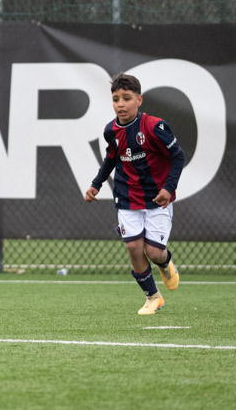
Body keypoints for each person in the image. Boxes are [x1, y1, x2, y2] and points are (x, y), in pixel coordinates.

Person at [85, 73, 184, 315]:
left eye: (126, 98)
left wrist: (168, 188)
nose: (120, 104)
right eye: (116, 99)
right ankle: (153, 297)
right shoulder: (111, 130)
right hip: (127, 197)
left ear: (139, 100)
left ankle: (164, 262)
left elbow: (178, 157)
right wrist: (96, 184)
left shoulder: (154, 127)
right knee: (133, 247)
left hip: (157, 199)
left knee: (154, 252)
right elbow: (111, 158)